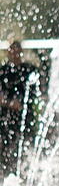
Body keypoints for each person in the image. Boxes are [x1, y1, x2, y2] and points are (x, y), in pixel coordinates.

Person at [0, 41, 38, 178]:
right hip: (6, 119)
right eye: (12, 50)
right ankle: (6, 173)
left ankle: (25, 174)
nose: (14, 53)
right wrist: (10, 103)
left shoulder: (29, 70)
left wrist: (21, 103)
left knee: (26, 146)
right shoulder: (3, 71)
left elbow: (35, 91)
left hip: (25, 118)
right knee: (6, 147)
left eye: (17, 50)